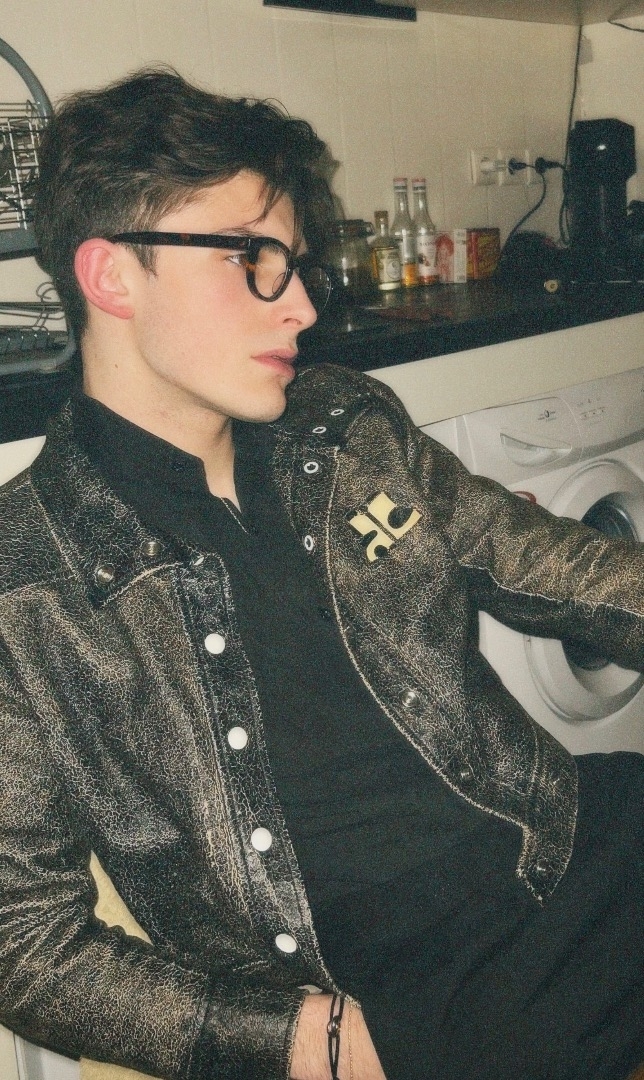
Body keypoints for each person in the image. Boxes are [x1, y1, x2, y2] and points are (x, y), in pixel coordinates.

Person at [0, 67, 642, 1080]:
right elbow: (24, 942)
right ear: (112, 275)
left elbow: (559, 569)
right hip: (410, 988)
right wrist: (310, 1043)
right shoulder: (26, 584)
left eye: (295, 264)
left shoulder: (340, 428)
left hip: (553, 845)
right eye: (252, 258)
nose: (298, 304)